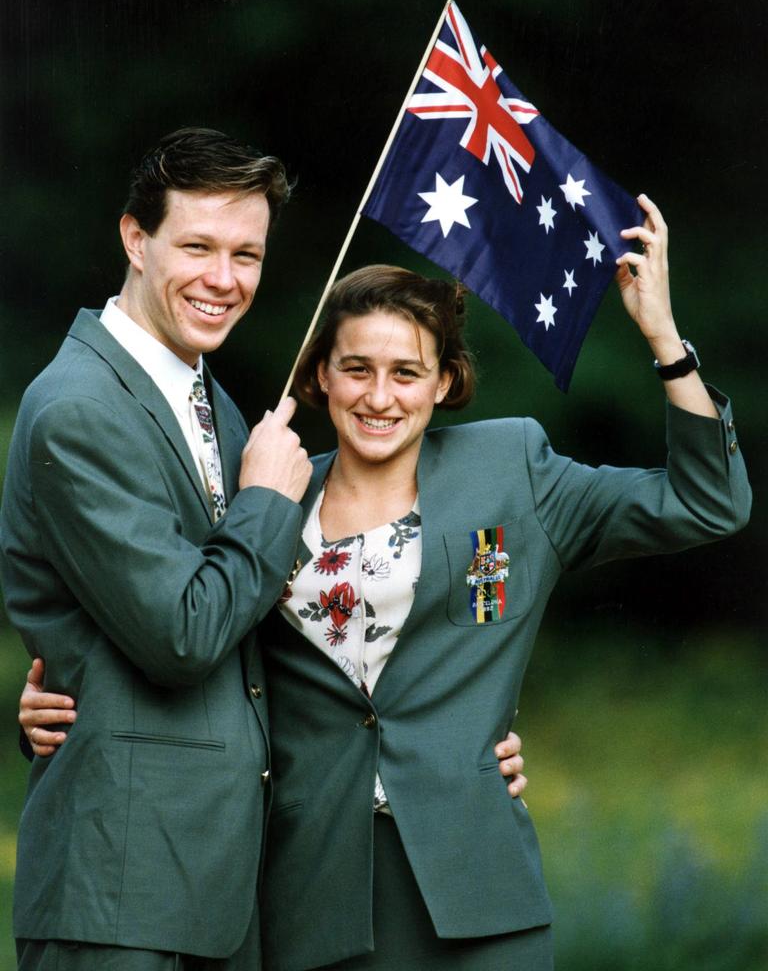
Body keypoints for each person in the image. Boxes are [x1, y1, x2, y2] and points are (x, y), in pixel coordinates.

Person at [18, 195, 746, 971]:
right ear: (320, 377)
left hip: (478, 889)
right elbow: (178, 618)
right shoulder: (262, 497)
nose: (379, 396)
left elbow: (708, 503)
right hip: (308, 895)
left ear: (444, 383)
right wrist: (54, 700)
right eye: (357, 369)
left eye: (407, 373)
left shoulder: (514, 473)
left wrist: (666, 340)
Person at [5, 127, 526, 971]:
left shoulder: (217, 407)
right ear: (136, 240)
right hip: (123, 894)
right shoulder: (80, 409)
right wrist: (262, 503)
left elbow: (257, 636)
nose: (223, 279)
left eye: (245, 253)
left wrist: (462, 734)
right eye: (198, 246)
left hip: (222, 891)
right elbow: (182, 634)